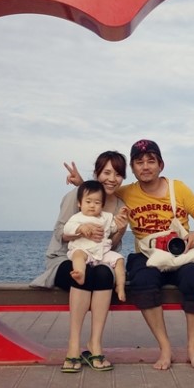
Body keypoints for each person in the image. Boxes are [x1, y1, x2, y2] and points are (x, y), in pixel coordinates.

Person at [66, 139, 194, 370]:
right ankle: (165, 348)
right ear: (132, 169)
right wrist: (81, 183)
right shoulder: (128, 192)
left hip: (180, 251)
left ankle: (193, 349)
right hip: (146, 253)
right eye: (139, 162)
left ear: (161, 165)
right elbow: (102, 190)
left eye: (151, 161)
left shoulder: (178, 188)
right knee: (142, 282)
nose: (145, 166)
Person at [31, 151, 129, 373]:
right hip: (66, 257)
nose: (112, 179)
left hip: (98, 257)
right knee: (84, 273)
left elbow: (111, 247)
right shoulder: (77, 195)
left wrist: (121, 230)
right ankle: (73, 345)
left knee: (103, 274)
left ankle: (95, 343)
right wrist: (80, 231)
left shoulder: (118, 206)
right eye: (106, 172)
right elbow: (60, 232)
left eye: (118, 174)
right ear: (97, 173)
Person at [64, 180, 127, 302]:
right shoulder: (77, 218)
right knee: (77, 255)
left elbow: (114, 227)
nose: (92, 205)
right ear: (79, 203)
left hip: (102, 252)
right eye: (88, 202)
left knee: (119, 259)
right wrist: (80, 228)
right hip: (84, 251)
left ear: (102, 205)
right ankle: (80, 273)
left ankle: (120, 286)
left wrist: (120, 217)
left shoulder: (107, 217)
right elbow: (67, 229)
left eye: (97, 202)